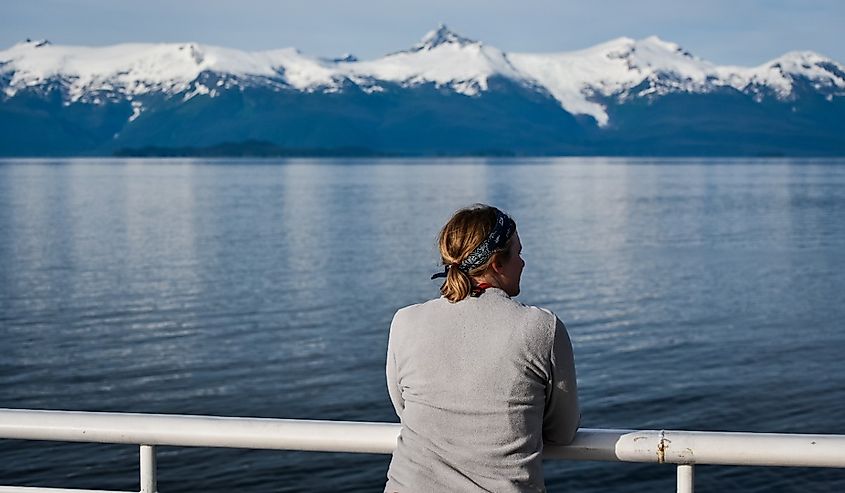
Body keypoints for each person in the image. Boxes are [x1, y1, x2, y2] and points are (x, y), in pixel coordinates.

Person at [385, 204, 580, 492]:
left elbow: (404, 408)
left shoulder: (405, 321)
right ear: (496, 264)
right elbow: (562, 432)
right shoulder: (541, 327)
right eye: (518, 253)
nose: (523, 263)